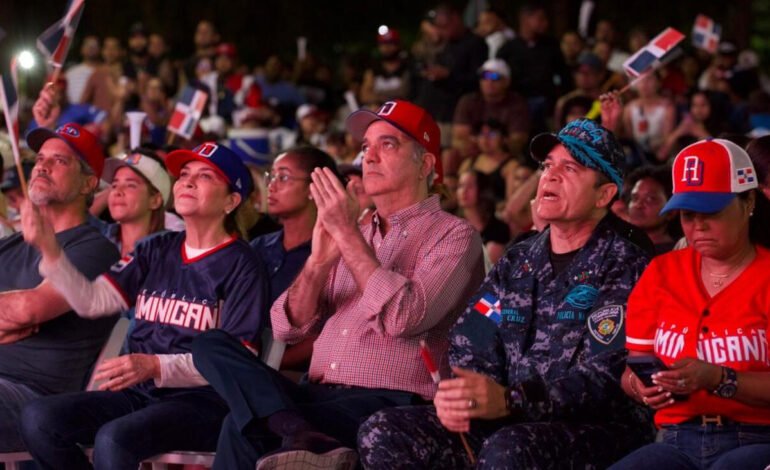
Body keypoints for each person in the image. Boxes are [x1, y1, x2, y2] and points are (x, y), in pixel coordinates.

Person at [191, 99, 485, 469]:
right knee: (210, 344)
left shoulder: (455, 235)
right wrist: (317, 262)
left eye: (387, 144)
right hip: (317, 396)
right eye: (365, 147)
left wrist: (346, 234)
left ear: (425, 164)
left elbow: (404, 319)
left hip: (392, 403)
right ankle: (295, 427)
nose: (369, 157)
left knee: (241, 425)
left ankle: (294, 427)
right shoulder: (354, 230)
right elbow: (287, 327)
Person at [357, 118, 653, 468]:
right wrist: (469, 397)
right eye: (547, 166)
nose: (550, 177)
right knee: (383, 430)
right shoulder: (519, 259)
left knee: (508, 448)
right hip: (506, 420)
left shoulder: (625, 263)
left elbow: (607, 376)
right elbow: (472, 337)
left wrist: (512, 400)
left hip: (594, 429)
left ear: (604, 194)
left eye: (570, 168)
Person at [19, 143, 268, 469]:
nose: (188, 182)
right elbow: (92, 302)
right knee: (39, 418)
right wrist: (51, 251)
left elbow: (240, 358)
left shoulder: (243, 264)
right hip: (140, 392)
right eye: (184, 175)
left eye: (205, 176)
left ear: (231, 201)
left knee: (114, 438)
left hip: (205, 401)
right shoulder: (156, 247)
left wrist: (156, 366)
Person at [612, 139, 770, 469]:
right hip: (675, 440)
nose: (698, 225)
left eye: (711, 212)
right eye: (687, 214)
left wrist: (719, 378)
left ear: (748, 202)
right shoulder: (661, 272)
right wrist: (642, 388)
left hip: (757, 438)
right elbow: (634, 367)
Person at [0, 123, 120, 452]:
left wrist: (22, 313)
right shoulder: (11, 245)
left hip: (34, 398)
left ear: (89, 184)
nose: (42, 165)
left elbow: (29, 309)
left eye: (60, 161)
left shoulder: (95, 248)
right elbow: (21, 309)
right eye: (40, 158)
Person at [250, 146, 342, 371]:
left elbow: (330, 327)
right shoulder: (258, 246)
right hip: (248, 358)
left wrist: (270, 365)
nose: (271, 186)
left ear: (313, 188)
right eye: (270, 176)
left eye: (283, 177)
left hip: (300, 373)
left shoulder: (335, 251)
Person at [452, 59, 530, 160]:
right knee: (449, 154)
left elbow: (517, 141)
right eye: (484, 76)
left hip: (504, 156)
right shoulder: (468, 101)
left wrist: (490, 144)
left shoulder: (517, 104)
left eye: (495, 77)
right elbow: (459, 138)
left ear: (506, 81)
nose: (489, 82)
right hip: (472, 153)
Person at [100, 149, 170, 256]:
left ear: (155, 200)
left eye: (130, 185)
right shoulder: (98, 240)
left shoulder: (170, 251)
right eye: (114, 185)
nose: (117, 192)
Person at [457, 169, 510, 264]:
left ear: (482, 190)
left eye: (469, 186)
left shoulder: (498, 229)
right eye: (461, 186)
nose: (463, 191)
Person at [626, 165, 679, 255]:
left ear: (671, 212)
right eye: (634, 198)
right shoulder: (618, 247)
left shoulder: (677, 253)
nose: (638, 205)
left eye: (650, 199)